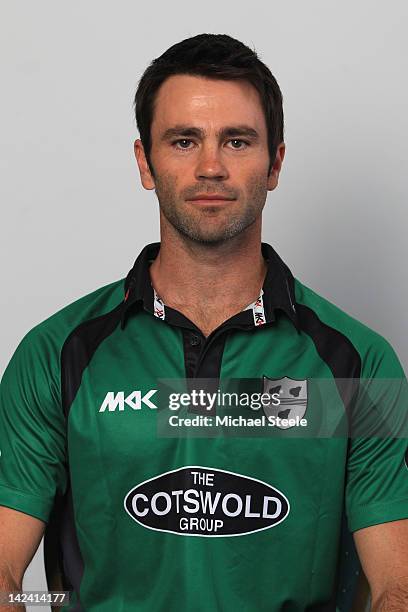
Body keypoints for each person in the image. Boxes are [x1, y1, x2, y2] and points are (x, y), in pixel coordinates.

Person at [0, 33, 407, 612]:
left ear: (275, 163)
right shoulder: (54, 355)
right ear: (146, 162)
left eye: (237, 141)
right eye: (184, 140)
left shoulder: (359, 364)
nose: (211, 167)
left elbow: (400, 584)